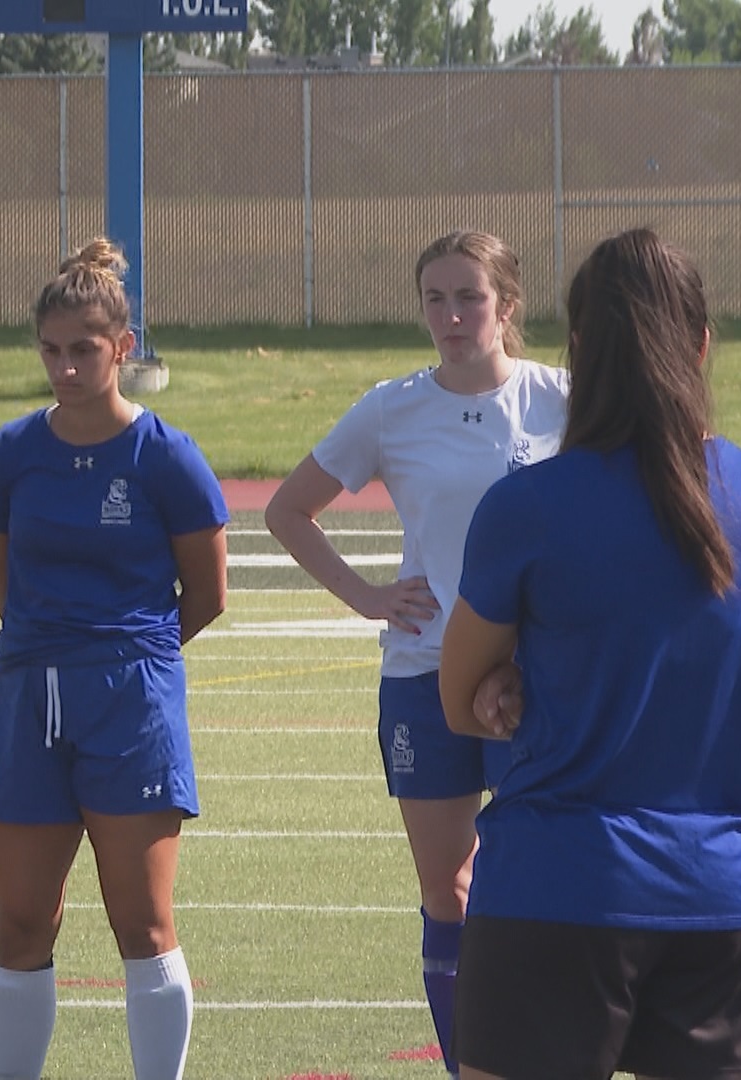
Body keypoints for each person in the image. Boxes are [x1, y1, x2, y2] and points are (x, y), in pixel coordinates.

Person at [437, 228, 741, 1080]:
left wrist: (513, 677)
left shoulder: (528, 506)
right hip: (719, 896)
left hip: (555, 885)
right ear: (703, 346)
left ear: (579, 351)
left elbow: (459, 698)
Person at [264, 230, 565, 1076]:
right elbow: (288, 511)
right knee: (451, 891)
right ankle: (467, 1062)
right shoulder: (393, 407)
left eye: (469, 296)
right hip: (424, 675)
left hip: (534, 680)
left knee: (536, 880)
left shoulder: (562, 401)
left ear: (507, 306)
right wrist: (368, 598)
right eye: (435, 298)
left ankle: (542, 1052)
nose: (452, 315)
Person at [0, 239, 229, 1080]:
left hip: (131, 701)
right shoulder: (10, 451)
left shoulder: (167, 456)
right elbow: (6, 583)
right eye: (51, 350)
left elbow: (207, 593)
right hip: (28, 694)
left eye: (85, 349)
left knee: (143, 927)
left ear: (122, 347)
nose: (66, 367)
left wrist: (128, 657)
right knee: (20, 927)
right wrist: (57, 651)